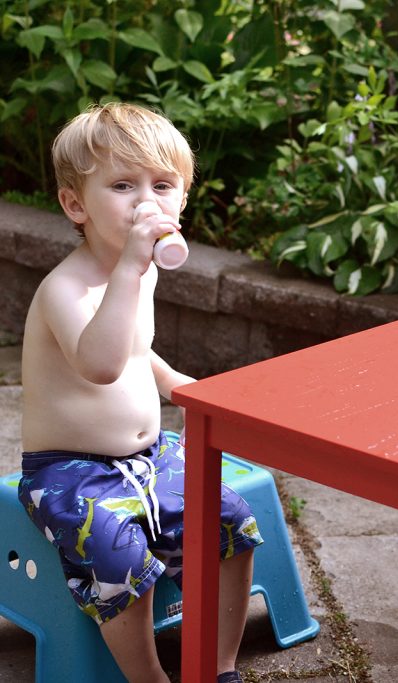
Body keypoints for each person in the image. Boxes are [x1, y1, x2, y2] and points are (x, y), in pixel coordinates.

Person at [18, 103, 263, 683]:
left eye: (161, 185)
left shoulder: (142, 270)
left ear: (182, 199)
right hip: (69, 469)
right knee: (118, 556)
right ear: (76, 204)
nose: (144, 201)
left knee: (234, 520)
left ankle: (218, 666)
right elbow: (101, 364)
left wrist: (177, 383)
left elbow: (135, 350)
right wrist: (129, 267)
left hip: (149, 456)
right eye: (123, 186)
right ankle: (148, 677)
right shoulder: (67, 287)